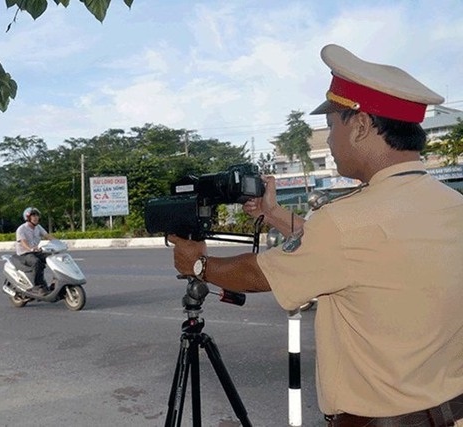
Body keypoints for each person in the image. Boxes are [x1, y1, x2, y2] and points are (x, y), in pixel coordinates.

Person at [169, 44, 463, 427]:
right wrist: (275, 215)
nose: (328, 139)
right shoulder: (449, 204)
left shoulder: (346, 221)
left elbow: (263, 274)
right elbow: (357, 256)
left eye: (332, 124)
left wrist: (197, 262)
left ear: (360, 126)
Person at [15, 207, 56, 296]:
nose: (36, 217)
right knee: (36, 262)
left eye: (37, 215)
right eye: (33, 215)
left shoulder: (38, 227)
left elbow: (47, 236)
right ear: (28, 217)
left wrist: (58, 242)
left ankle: (56, 281)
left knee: (54, 258)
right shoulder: (21, 229)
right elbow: (23, 243)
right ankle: (37, 287)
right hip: (24, 254)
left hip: (35, 252)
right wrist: (31, 249)